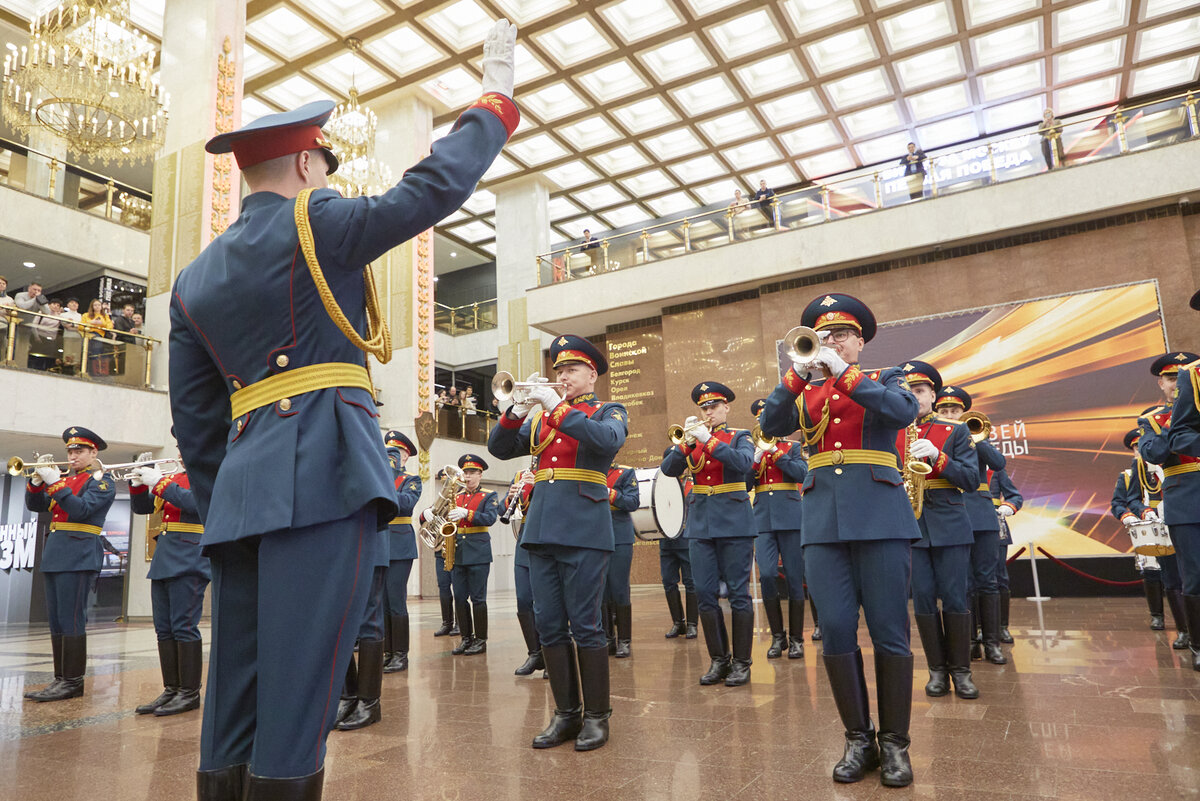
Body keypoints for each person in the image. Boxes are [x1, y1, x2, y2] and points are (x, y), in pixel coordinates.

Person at [167, 19, 519, 798]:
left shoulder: (191, 279)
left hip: (243, 493)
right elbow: (432, 187)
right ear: (304, 160)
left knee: (235, 686)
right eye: (325, 164)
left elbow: (195, 421)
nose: (326, 177)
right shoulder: (315, 221)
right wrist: (494, 104)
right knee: (302, 686)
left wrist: (239, 489)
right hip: (323, 472)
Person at [759, 293, 920, 788]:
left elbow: (901, 412)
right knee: (833, 629)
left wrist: (844, 374)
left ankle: (894, 743)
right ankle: (857, 739)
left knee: (890, 631)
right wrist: (796, 374)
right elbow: (770, 424)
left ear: (860, 342)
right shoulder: (806, 389)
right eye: (824, 335)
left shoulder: (883, 379)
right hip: (823, 522)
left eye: (842, 335)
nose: (831, 341)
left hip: (880, 515)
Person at [487, 334, 626, 751]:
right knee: (549, 625)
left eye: (571, 369)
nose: (563, 375)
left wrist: (556, 406)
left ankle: (597, 716)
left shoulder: (608, 411)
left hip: (584, 527)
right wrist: (515, 411)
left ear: (592, 374)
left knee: (585, 625)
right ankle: (566, 713)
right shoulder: (541, 420)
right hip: (542, 527)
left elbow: (606, 442)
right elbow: (499, 447)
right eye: (559, 369)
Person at [661, 382, 756, 687]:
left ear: (727, 407)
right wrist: (688, 443)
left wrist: (709, 441)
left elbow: (743, 464)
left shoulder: (740, 436)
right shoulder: (693, 442)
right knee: (704, 595)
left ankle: (741, 662)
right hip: (701, 524)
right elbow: (668, 469)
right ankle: (718, 659)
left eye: (714, 406)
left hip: (734, 522)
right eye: (704, 408)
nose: (709, 412)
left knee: (740, 596)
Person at [898, 361, 979, 700]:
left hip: (949, 521)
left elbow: (972, 480)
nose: (914, 398)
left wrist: (938, 457)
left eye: (919, 391)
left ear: (933, 393)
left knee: (956, 598)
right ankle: (936, 670)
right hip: (911, 525)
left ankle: (961, 671)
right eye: (907, 392)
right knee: (924, 601)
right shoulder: (893, 433)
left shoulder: (955, 431)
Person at [22, 427, 116, 703]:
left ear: (93, 452)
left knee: (72, 619)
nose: (73, 456)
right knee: (57, 622)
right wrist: (38, 482)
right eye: (71, 451)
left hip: (79, 555)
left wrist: (57, 483)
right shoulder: (66, 481)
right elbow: (36, 504)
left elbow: (82, 510)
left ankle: (73, 681)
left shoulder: (101, 482)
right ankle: (60, 679)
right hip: (56, 554)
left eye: (79, 451)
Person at [129, 454, 211, 717]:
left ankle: (189, 693)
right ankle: (172, 688)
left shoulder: (208, 475)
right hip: (165, 558)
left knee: (184, 627)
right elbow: (143, 508)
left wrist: (159, 482)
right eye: (177, 448)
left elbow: (194, 503)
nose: (179, 454)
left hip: (189, 559)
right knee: (164, 629)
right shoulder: (174, 478)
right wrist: (138, 483)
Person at [933, 385, 1008, 665]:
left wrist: (976, 439)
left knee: (987, 580)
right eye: (944, 410)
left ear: (964, 413)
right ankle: (970, 641)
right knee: (961, 583)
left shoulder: (971, 436)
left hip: (980, 512)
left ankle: (992, 643)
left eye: (954, 410)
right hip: (952, 513)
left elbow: (998, 463)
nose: (949, 414)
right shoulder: (935, 438)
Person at [1141, 347, 1200, 671]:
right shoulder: (1152, 420)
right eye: (1169, 377)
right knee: (1194, 576)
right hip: (1187, 500)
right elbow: (1156, 453)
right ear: (1160, 384)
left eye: (1180, 375)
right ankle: (1197, 642)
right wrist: (1178, 417)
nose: (1176, 381)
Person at [748, 398, 808, 659]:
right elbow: (745, 483)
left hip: (791, 516)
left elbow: (802, 474)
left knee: (795, 578)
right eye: (761, 419)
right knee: (768, 575)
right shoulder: (751, 449)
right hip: (763, 519)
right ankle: (777, 637)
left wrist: (777, 455)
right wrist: (754, 460)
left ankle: (796, 639)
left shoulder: (792, 447)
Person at [428, 454, 499, 656]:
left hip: (478, 552)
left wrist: (466, 514)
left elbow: (490, 518)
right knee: (459, 597)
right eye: (465, 473)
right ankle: (466, 638)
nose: (467, 477)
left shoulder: (489, 495)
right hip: (457, 551)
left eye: (471, 473)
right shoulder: (456, 496)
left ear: (480, 474)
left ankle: (481, 639)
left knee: (478, 598)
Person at [383, 430, 422, 673]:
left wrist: (388, 482)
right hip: (378, 542)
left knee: (396, 600)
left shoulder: (411, 480)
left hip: (399, 544)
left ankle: (401, 654)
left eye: (396, 453)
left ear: (406, 457)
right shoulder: (379, 476)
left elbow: (406, 504)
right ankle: (388, 650)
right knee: (381, 602)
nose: (392, 457)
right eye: (389, 451)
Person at [507, 466, 544, 676]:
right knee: (523, 599)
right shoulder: (521, 474)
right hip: (525, 539)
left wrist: (535, 486)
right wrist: (514, 494)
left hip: (548, 537)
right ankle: (534, 653)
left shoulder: (560, 468)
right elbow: (506, 507)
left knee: (547, 602)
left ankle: (551, 653)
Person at [603, 463, 640, 658]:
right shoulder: (589, 470)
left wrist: (610, 493)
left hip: (619, 535)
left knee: (619, 588)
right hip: (594, 534)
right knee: (601, 590)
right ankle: (607, 638)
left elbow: (633, 502)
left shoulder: (625, 473)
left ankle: (624, 640)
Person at [659, 473, 698, 640]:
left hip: (686, 540)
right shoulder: (660, 487)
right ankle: (678, 622)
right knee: (668, 582)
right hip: (666, 542)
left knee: (691, 582)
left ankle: (692, 624)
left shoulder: (692, 484)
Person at [989, 466, 1024, 643]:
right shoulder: (960, 466)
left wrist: (1007, 507)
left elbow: (1015, 496)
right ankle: (979, 628)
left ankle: (1002, 627)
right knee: (971, 581)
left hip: (995, 527)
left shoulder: (995, 468)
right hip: (968, 526)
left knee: (1000, 578)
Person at [430, 466, 460, 638]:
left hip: (455, 548)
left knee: (458, 588)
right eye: (444, 481)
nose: (445, 485)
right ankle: (446, 623)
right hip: (440, 547)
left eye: (448, 481)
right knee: (443, 587)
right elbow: (429, 515)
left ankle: (459, 623)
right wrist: (425, 515)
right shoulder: (439, 500)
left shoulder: (458, 499)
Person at [80, 298, 114, 375]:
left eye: (99, 305)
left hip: (98, 336)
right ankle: (84, 371)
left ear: (101, 306)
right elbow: (80, 326)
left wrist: (101, 324)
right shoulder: (86, 315)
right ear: (92, 306)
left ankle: (93, 372)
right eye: (95, 305)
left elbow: (109, 327)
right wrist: (92, 322)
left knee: (96, 354)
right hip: (87, 335)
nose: (97, 306)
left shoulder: (105, 316)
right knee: (85, 353)